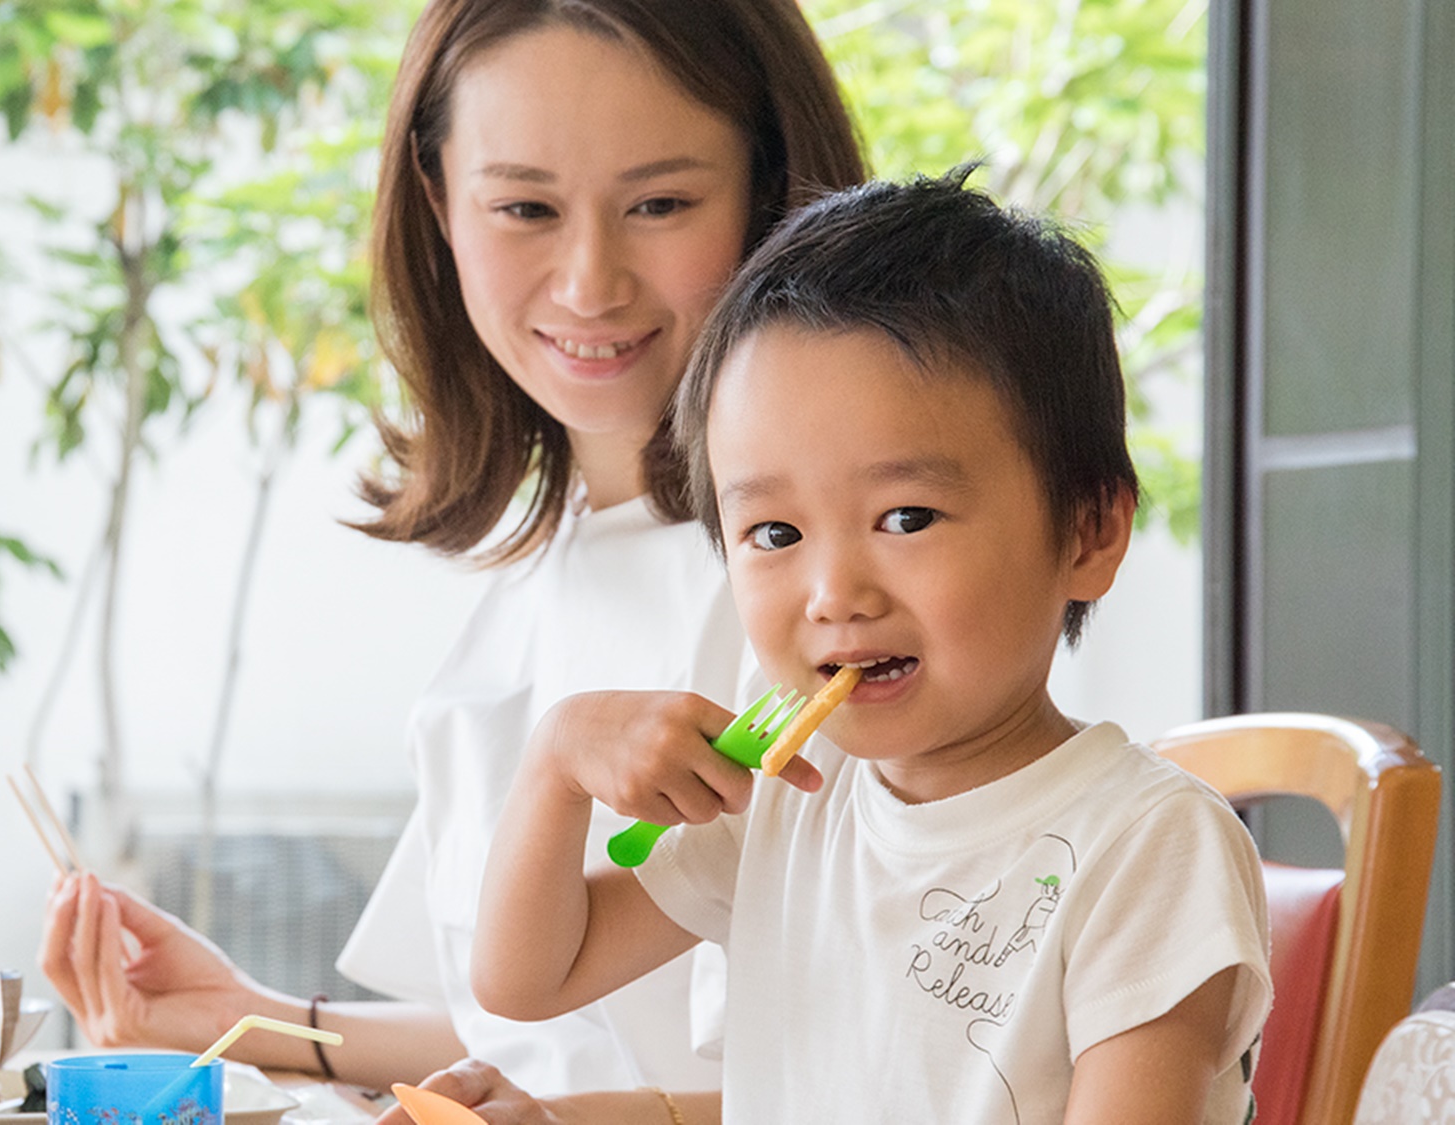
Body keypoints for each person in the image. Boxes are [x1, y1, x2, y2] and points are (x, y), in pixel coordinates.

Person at [39, 0, 865, 1098]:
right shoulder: (546, 564)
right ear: (437, 201)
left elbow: (887, 1076)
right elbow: (532, 1037)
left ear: (773, 192)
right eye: (524, 206)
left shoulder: (831, 593)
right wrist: (249, 1021)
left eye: (659, 203)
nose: (587, 282)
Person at [464, 170, 1273, 1124]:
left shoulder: (1148, 844)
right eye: (773, 533)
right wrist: (557, 762)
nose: (834, 593)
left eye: (906, 515)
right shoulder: (786, 792)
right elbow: (527, 977)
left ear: (1087, 534)